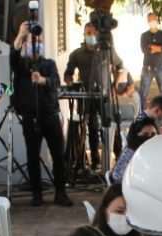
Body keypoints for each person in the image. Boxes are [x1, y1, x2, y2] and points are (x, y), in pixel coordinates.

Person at [11, 22, 72, 207]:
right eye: (31, 42)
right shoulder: (21, 66)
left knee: (58, 155)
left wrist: (43, 80)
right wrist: (21, 35)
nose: (35, 45)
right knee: (32, 156)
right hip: (30, 117)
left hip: (50, 115)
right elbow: (13, 57)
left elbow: (56, 83)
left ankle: (60, 192)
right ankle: (36, 193)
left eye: (38, 42)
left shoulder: (49, 64)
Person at [65, 23, 129, 170]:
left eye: (93, 33)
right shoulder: (76, 54)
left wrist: (115, 86)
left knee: (110, 125)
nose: (91, 36)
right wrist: (69, 81)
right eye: (88, 33)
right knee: (92, 127)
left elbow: (121, 67)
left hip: (105, 95)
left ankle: (119, 159)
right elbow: (68, 73)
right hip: (87, 97)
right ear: (84, 34)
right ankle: (95, 161)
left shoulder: (107, 51)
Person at [109, 117, 157, 185]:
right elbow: (117, 177)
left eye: (153, 134)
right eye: (145, 134)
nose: (150, 138)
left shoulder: (155, 151)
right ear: (135, 136)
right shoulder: (130, 152)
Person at [139, 13, 162, 109]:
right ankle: (141, 114)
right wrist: (158, 47)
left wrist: (153, 47)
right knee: (143, 93)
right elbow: (145, 49)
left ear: (157, 20)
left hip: (160, 67)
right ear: (148, 22)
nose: (152, 22)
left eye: (154, 19)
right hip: (147, 68)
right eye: (150, 20)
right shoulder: (144, 35)